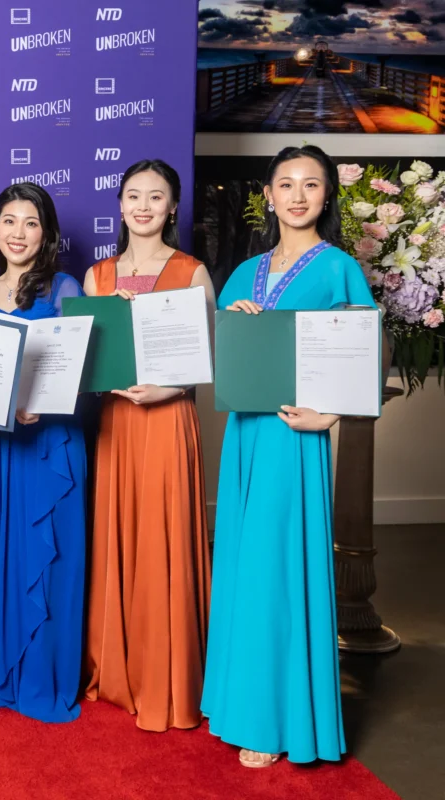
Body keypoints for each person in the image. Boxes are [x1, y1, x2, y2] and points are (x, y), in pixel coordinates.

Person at [202, 145, 371, 768]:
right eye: (285, 184)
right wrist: (234, 320)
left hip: (293, 438)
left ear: (327, 197)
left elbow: (364, 355)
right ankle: (237, 700)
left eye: (311, 185)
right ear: (267, 195)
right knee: (243, 564)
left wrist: (330, 416)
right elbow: (220, 359)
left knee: (278, 568)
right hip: (244, 435)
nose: (298, 195)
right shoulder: (244, 273)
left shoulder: (341, 269)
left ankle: (275, 719)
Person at [82, 159, 214, 732]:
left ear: (172, 207)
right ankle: (118, 670)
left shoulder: (192, 271)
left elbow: (208, 362)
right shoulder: (97, 277)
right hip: (116, 421)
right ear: (119, 205)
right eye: (133, 195)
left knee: (163, 538)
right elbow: (86, 361)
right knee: (119, 535)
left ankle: (168, 675)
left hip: (166, 419)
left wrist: (168, 387)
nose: (142, 206)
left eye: (155, 197)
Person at [0, 183, 87, 724]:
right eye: (8, 221)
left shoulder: (64, 286)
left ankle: (42, 675)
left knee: (50, 559)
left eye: (30, 223)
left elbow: (81, 371)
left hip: (50, 447)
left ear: (46, 232)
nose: (18, 233)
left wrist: (41, 407)